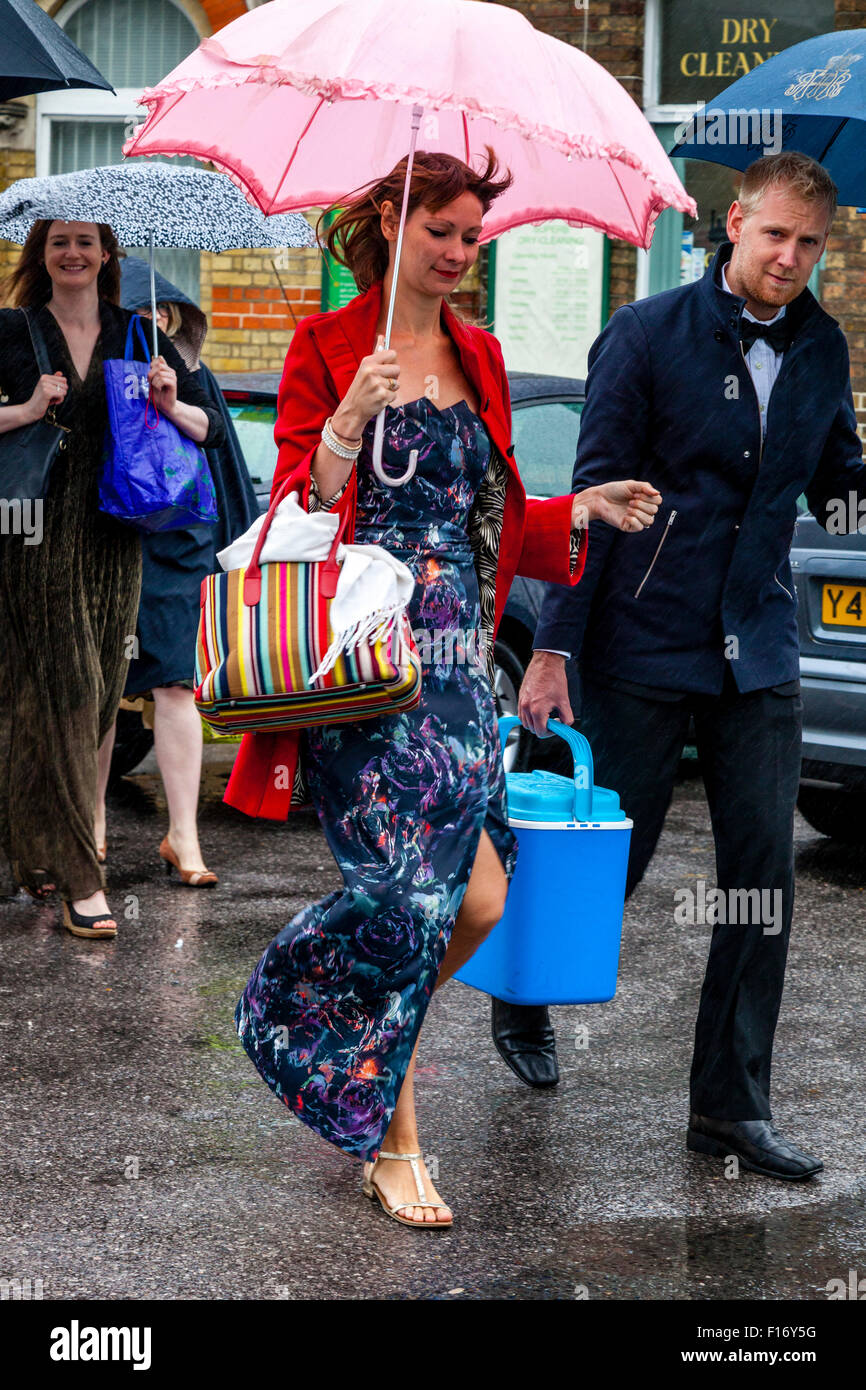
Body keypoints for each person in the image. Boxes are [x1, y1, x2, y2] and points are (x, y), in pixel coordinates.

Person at [224, 150, 661, 1227]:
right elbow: (292, 512)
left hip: (461, 668)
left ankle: (329, 1025)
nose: (460, 256)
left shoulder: (482, 351)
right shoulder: (327, 345)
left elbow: (487, 523)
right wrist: (340, 431)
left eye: (474, 239)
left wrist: (578, 510)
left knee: (480, 900)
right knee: (417, 900)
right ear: (389, 218)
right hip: (366, 670)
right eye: (443, 233)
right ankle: (394, 1145)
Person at [512, 151, 866, 1181]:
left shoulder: (821, 347)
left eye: (809, 243)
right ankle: (524, 991)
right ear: (732, 224)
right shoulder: (646, 333)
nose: (790, 258)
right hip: (641, 636)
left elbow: (837, 482)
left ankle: (727, 1107)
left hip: (755, 649)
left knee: (760, 879)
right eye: (774, 236)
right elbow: (590, 496)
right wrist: (553, 644)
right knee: (606, 863)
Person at [0, 221, 223, 938]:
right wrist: (30, 409)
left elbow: (211, 426)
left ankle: (32, 852)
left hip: (117, 538)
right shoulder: (13, 330)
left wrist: (168, 402)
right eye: (59, 242)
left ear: (107, 255)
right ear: (42, 253)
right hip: (33, 531)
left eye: (86, 243)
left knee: (92, 697)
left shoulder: (139, 332)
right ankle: (80, 881)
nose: (73, 254)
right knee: (65, 689)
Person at [97, 259, 258, 886]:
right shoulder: (92, 368)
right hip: (110, 540)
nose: (152, 324)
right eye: (139, 315)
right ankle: (92, 824)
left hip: (177, 543)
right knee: (102, 683)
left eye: (161, 315)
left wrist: (169, 401)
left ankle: (183, 837)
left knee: (176, 686)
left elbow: (214, 435)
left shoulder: (186, 370)